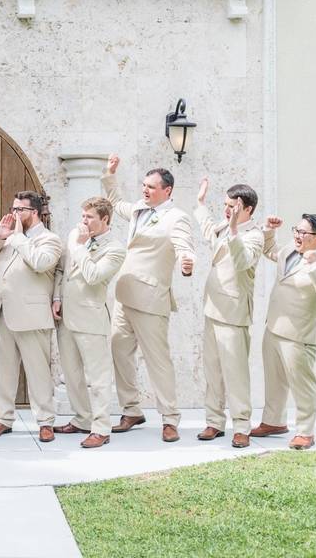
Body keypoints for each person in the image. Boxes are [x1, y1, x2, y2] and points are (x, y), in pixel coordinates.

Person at [101, 154, 195, 443]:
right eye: (143, 185)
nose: (145, 190)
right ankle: (131, 409)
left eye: (151, 187)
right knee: (119, 350)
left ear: (167, 191)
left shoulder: (176, 217)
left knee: (158, 360)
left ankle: (169, 419)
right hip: (125, 295)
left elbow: (183, 244)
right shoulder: (140, 209)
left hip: (152, 298)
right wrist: (110, 174)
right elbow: (116, 203)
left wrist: (186, 260)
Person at [251, 213, 316, 450]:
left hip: (300, 333)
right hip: (273, 326)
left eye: (304, 232)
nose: (297, 235)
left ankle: (305, 432)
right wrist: (269, 230)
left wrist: (315, 265)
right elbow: (270, 249)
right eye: (296, 230)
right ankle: (273, 422)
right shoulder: (288, 251)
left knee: (302, 383)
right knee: (274, 380)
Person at [0, 191, 63, 443]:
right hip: (2, 311)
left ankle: (45, 421)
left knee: (38, 371)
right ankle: (3, 418)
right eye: (13, 208)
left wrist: (17, 238)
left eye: (20, 210)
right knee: (4, 370)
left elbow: (40, 263)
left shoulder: (50, 240)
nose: (14, 214)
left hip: (31, 314)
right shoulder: (10, 239)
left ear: (34, 213)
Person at [193, 178, 264, 448]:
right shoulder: (223, 226)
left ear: (246, 209)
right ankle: (213, 422)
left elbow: (243, 260)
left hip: (234, 314)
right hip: (212, 309)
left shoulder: (254, 235)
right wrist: (200, 203)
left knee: (235, 374)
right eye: (224, 205)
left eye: (231, 206)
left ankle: (242, 426)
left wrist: (234, 229)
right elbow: (208, 227)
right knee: (212, 371)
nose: (226, 210)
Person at [51, 197, 126, 448]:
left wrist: (81, 247)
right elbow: (62, 270)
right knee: (71, 375)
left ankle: (101, 428)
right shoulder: (74, 234)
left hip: (91, 318)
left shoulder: (115, 248)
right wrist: (57, 297)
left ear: (105, 219)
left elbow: (93, 276)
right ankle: (82, 419)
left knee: (98, 377)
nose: (83, 222)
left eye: (90, 217)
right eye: (83, 216)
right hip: (66, 317)